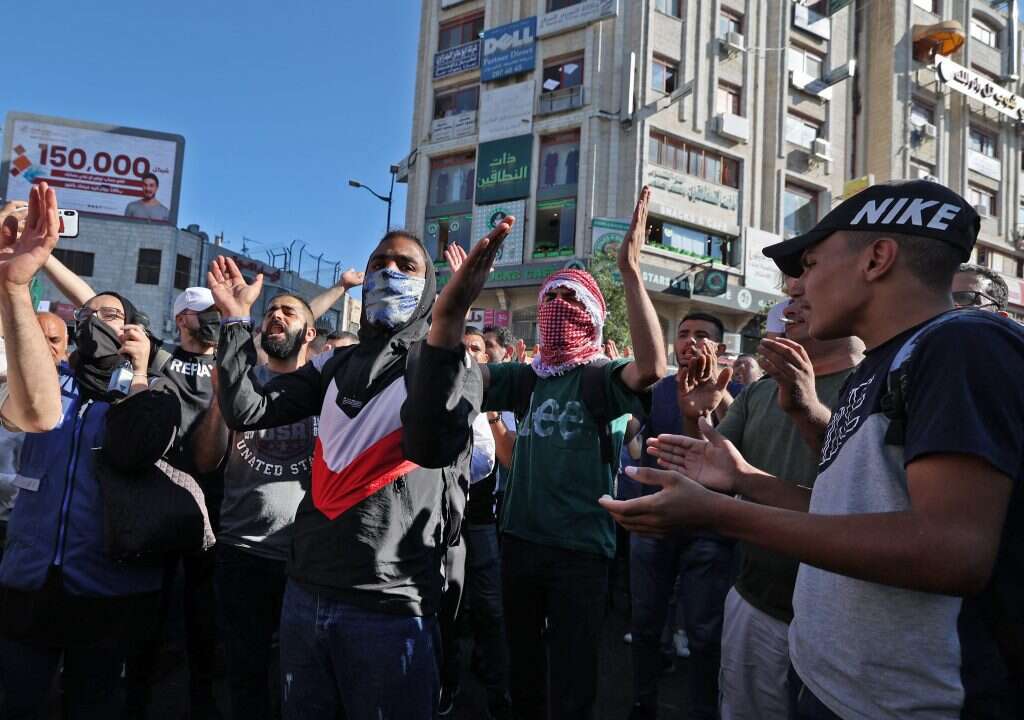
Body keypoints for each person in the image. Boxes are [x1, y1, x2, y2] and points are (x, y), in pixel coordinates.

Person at [601, 180, 1024, 718]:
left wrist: (722, 514)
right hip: (834, 684)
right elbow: (862, 513)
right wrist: (746, 481)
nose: (798, 287)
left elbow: (951, 549)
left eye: (812, 264)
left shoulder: (964, 343)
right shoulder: (888, 362)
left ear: (876, 259)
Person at [410, 187, 665, 720]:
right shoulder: (526, 378)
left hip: (582, 552)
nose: (556, 308)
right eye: (550, 299)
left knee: (574, 680)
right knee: (525, 673)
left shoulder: (601, 378)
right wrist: (456, 302)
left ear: (593, 315)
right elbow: (457, 375)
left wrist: (631, 273)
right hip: (521, 543)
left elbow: (651, 368)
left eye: (570, 300)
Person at [208, 230, 476, 719]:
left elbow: (430, 444)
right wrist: (233, 321)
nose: (388, 274)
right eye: (378, 264)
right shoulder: (336, 363)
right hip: (306, 594)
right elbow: (247, 409)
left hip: (389, 605)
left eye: (405, 266)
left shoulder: (450, 362)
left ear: (433, 287)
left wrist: (448, 324)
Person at [0, 183, 181, 718]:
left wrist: (140, 375)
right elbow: (33, 411)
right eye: (89, 315)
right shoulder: (52, 381)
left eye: (111, 316)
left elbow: (141, 445)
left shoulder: (151, 394)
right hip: (28, 582)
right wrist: (17, 281)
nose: (95, 320)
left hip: (107, 592)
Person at [714, 288, 863, 720]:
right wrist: (697, 412)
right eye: (789, 294)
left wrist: (808, 410)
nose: (791, 304)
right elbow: (714, 468)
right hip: (756, 601)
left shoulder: (880, 385)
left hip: (845, 624)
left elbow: (865, 505)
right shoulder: (760, 393)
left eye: (809, 290)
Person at [192, 293, 318, 720]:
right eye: (270, 311)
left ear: (310, 332)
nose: (277, 316)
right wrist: (220, 399)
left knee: (302, 677)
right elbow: (208, 460)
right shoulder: (241, 383)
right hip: (242, 552)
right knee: (246, 675)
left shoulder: (323, 391)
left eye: (289, 311)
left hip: (306, 558)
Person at [628, 312, 736, 720]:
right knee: (646, 623)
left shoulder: (738, 391)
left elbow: (739, 442)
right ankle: (642, 701)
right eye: (684, 334)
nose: (690, 342)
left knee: (706, 632)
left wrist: (718, 398)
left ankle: (704, 709)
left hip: (709, 526)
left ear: (721, 350)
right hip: (654, 520)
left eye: (703, 336)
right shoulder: (655, 389)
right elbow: (633, 432)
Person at [125, 286, 224, 720]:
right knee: (152, 606)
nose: (213, 321)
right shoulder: (161, 355)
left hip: (214, 502)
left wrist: (339, 287)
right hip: (160, 497)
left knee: (204, 612)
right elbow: (95, 301)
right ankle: (138, 697)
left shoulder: (229, 360)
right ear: (182, 317)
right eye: (205, 313)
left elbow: (299, 323)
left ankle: (202, 698)